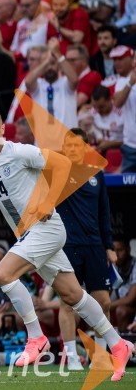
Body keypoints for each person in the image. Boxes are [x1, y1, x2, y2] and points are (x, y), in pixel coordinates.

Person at [0, 109, 133, 380]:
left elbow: (63, 165)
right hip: (27, 234)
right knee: (72, 295)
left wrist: (47, 202)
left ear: (2, 131)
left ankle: (36, 338)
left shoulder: (21, 152)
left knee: (3, 273)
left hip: (46, 228)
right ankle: (119, 344)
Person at [57, 128, 115, 370]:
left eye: (77, 146)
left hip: (94, 245)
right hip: (66, 245)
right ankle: (70, 357)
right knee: (67, 302)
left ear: (86, 148)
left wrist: (109, 246)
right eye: (68, 146)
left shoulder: (96, 175)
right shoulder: (56, 173)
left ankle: (100, 356)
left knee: (103, 301)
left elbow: (104, 213)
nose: (72, 150)